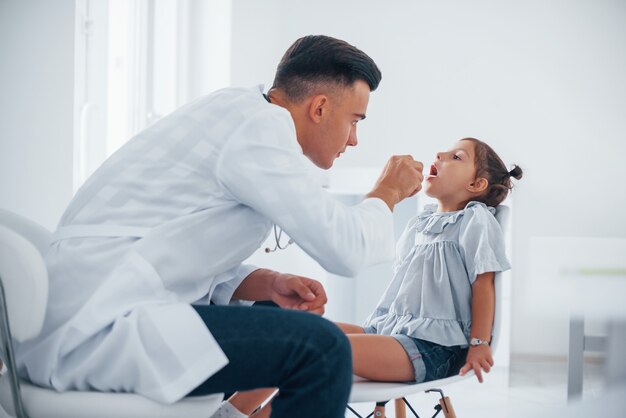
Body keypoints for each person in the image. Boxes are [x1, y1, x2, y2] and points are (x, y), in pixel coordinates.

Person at [14, 35, 423, 418]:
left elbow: (177, 241)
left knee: (283, 320)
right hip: (99, 323)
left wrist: (265, 281)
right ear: (318, 108)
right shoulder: (260, 129)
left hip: (101, 300)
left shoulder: (238, 112)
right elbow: (345, 250)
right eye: (355, 121)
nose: (353, 140)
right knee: (321, 348)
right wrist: (387, 192)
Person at [337, 137, 523, 417]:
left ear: (476, 185)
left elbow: (484, 285)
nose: (439, 154)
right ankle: (247, 409)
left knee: (325, 346)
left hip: (434, 348)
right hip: (391, 332)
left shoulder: (475, 220)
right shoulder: (420, 223)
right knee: (302, 332)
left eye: (456, 157)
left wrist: (479, 344)